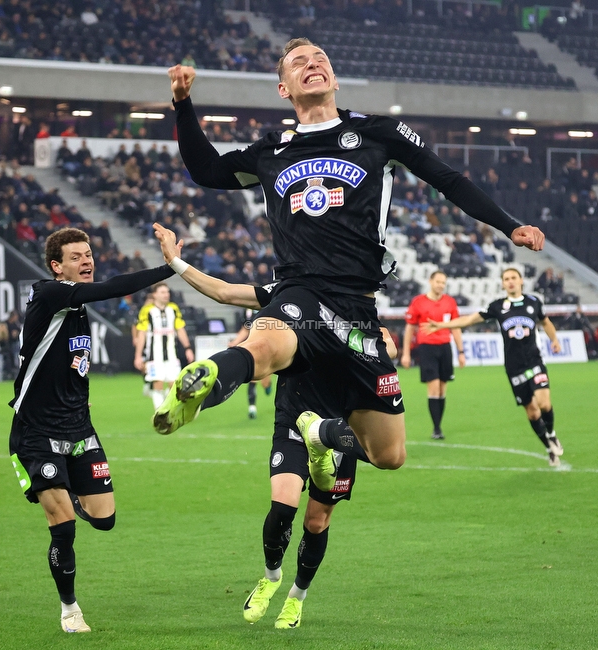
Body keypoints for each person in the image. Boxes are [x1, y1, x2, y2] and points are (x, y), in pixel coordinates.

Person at [156, 40, 545, 487]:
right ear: (284, 89)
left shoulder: (379, 134)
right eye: (299, 63)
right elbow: (205, 170)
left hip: (359, 310)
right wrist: (182, 104)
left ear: (335, 79)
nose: (313, 64)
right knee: (260, 351)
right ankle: (204, 379)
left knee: (389, 454)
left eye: (320, 58)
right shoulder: (270, 152)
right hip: (298, 292)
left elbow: (448, 180)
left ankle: (319, 432)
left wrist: (508, 225)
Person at [153, 222, 384, 629]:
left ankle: (297, 597)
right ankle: (272, 577)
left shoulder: (354, 305)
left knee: (317, 521)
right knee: (283, 506)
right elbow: (224, 291)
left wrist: (377, 345)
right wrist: (174, 261)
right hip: (293, 420)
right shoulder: (285, 293)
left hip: (339, 428)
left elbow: (384, 343)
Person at [7, 227, 174, 633]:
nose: (87, 261)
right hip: (36, 431)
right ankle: (69, 609)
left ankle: (71, 497)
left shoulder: (76, 307)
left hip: (79, 428)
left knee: (104, 519)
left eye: (89, 254)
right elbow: (113, 288)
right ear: (56, 266)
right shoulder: (50, 293)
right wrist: (171, 267)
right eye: (77, 256)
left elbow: (69, 365)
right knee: (63, 527)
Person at [425, 268, 564, 466]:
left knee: (544, 403)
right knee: (532, 413)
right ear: (502, 283)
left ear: (521, 280)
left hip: (534, 361)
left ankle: (551, 433)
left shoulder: (533, 302)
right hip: (514, 368)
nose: (510, 281)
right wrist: (441, 326)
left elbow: (546, 322)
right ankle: (549, 447)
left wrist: (554, 340)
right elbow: (469, 320)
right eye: (506, 279)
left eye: (513, 278)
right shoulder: (498, 307)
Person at [400, 271, 464, 439]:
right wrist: (406, 353)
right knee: (434, 387)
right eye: (438, 282)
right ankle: (436, 428)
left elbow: (456, 327)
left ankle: (438, 426)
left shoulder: (450, 302)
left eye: (443, 282)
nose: (440, 285)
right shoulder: (418, 302)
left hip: (445, 348)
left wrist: (461, 351)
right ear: (430, 281)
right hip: (427, 348)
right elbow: (410, 328)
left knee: (443, 389)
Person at [133, 283, 194, 410]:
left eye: (167, 292)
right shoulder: (147, 310)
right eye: (162, 292)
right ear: (154, 294)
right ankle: (160, 411)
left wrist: (187, 348)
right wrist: (138, 356)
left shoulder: (173, 308)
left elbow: (180, 329)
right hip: (154, 356)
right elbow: (142, 334)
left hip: (172, 354)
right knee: (158, 383)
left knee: (173, 385)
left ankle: (168, 408)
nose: (166, 295)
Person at [228, 308, 273, 419]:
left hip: (267, 346)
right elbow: (245, 328)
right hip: (253, 346)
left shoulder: (268, 304)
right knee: (252, 377)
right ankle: (252, 408)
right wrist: (235, 342)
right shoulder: (247, 309)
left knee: (265, 381)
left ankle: (268, 384)